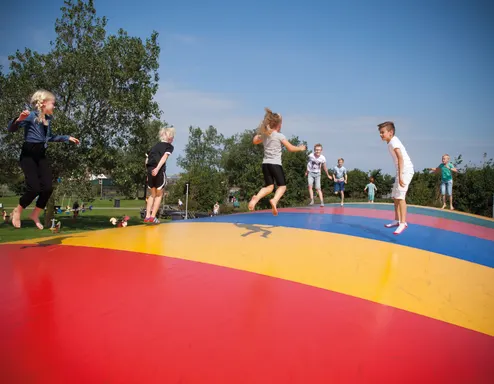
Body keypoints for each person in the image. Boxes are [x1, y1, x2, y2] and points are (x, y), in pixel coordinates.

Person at [6, 90, 80, 229]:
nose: (55, 107)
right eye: (53, 104)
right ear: (44, 103)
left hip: (40, 155)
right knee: (33, 188)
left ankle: (35, 213)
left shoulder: (48, 120)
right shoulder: (31, 116)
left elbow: (49, 138)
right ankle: (18, 210)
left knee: (47, 187)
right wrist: (19, 119)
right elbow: (11, 129)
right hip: (28, 154)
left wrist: (66, 138)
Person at [248, 108, 306, 215]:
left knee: (269, 187)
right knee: (282, 186)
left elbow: (255, 140)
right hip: (275, 164)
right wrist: (300, 148)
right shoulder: (280, 136)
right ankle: (274, 200)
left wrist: (262, 131)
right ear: (279, 125)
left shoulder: (266, 135)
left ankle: (256, 198)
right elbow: (290, 148)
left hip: (265, 164)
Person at [378, 121, 414, 235]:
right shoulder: (390, 142)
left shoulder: (394, 141)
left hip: (405, 170)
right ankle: (397, 219)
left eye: (382, 132)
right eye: (380, 133)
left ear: (391, 132)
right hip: (400, 171)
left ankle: (403, 223)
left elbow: (400, 158)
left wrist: (401, 176)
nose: (381, 135)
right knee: (395, 196)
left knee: (401, 197)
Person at [144, 127, 175, 224]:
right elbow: (164, 158)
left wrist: (148, 173)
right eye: (172, 137)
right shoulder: (169, 146)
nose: (173, 139)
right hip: (158, 171)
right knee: (159, 195)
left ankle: (147, 216)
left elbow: (147, 160)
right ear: (169, 137)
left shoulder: (155, 146)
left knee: (152, 195)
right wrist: (157, 169)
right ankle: (153, 217)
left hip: (149, 170)